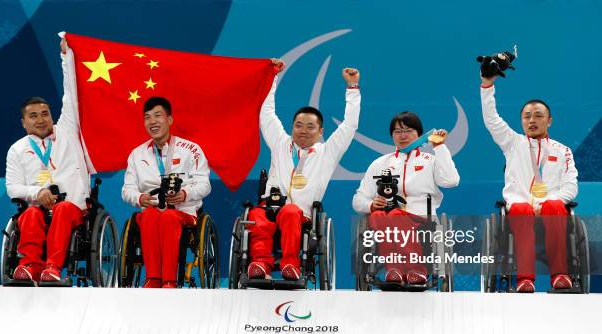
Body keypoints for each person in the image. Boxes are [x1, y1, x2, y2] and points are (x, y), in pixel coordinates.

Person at [247, 59, 361, 280]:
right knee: (256, 215)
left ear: (320, 131)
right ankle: (260, 264)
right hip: (271, 207)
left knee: (290, 212)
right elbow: (266, 113)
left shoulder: (327, 152)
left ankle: (291, 264)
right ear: (292, 127)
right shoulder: (280, 143)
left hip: (301, 215)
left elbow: (349, 125)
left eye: (310, 127)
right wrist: (272, 78)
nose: (303, 131)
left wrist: (353, 88)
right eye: (298, 125)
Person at [480, 74, 578, 293]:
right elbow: (491, 119)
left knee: (554, 206)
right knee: (522, 209)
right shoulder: (512, 143)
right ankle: (525, 279)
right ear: (522, 121)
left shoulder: (563, 151)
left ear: (549, 120)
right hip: (520, 205)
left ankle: (560, 276)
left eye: (538, 116)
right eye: (526, 117)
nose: (532, 120)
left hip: (552, 209)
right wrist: (487, 85)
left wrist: (547, 202)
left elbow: (571, 186)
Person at [5, 38, 89, 284]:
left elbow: (71, 93)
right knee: (29, 215)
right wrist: (36, 192)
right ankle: (30, 265)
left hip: (72, 205)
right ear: (24, 122)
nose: (41, 119)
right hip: (39, 207)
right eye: (33, 116)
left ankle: (52, 267)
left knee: (62, 209)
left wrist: (67, 58)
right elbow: (12, 188)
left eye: (44, 114)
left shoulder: (67, 131)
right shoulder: (17, 150)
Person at [352, 112, 460, 284]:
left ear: (419, 134)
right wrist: (372, 204)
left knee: (395, 215)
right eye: (397, 131)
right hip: (388, 219)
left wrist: (439, 147)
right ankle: (394, 270)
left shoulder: (430, 161)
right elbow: (358, 200)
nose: (402, 136)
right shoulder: (380, 164)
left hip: (422, 219)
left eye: (408, 130)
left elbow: (451, 181)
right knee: (378, 215)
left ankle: (417, 270)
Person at [121, 96, 211, 288]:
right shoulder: (137, 154)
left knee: (169, 217)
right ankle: (153, 278)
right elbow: (127, 189)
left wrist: (185, 193)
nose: (152, 121)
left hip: (183, 212)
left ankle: (169, 280)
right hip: (152, 209)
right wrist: (139, 198)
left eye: (157, 115)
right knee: (150, 216)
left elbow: (205, 184)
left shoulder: (190, 150)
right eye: (147, 117)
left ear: (170, 120)